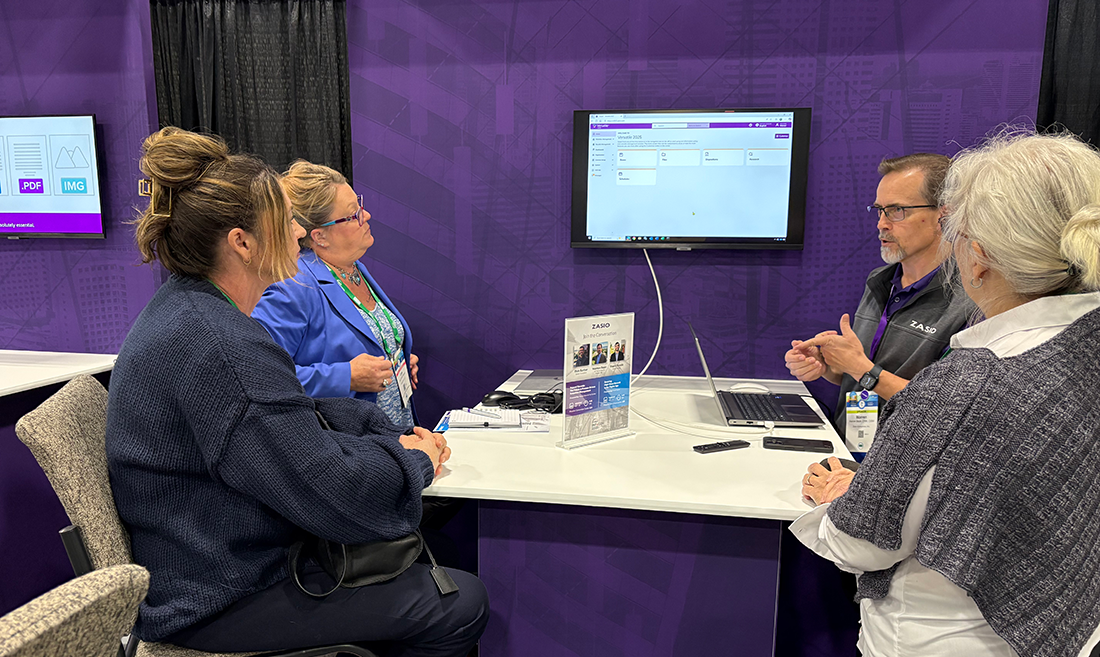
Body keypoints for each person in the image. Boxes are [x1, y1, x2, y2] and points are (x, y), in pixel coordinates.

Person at [106, 127, 488, 655]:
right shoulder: (221, 346)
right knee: (461, 603)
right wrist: (414, 461)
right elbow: (330, 490)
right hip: (220, 596)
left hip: (221, 558)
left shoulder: (194, 312)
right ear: (242, 242)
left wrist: (385, 439)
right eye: (286, 220)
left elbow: (301, 418)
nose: (300, 230)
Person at [792, 130, 1100, 656]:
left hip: (940, 635)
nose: (883, 222)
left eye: (897, 210)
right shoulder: (1081, 345)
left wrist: (849, 496)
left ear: (976, 256)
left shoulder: (970, 381)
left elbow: (858, 542)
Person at [784, 154, 971, 440]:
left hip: (905, 458)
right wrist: (827, 366)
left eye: (897, 210)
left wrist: (860, 367)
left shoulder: (969, 300)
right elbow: (863, 377)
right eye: (879, 210)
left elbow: (947, 409)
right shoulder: (879, 281)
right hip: (850, 450)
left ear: (943, 216)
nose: (881, 224)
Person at [252, 161, 417, 427]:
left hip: (395, 434)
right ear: (320, 237)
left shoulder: (352, 267)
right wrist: (346, 376)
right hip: (348, 443)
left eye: (360, 205)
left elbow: (368, 341)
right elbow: (263, 375)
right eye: (353, 214)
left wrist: (397, 359)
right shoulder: (294, 286)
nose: (366, 215)